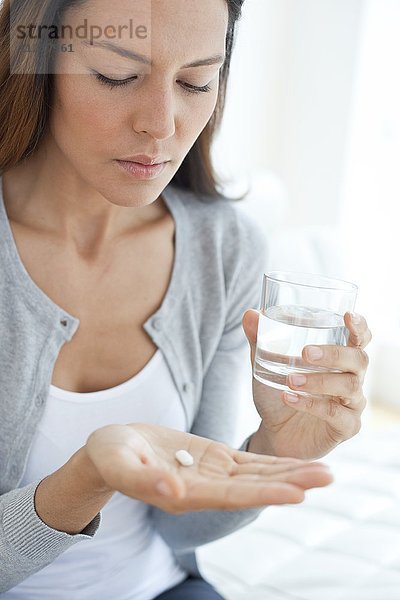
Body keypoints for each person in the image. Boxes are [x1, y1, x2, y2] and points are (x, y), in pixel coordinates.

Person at [0, 0, 372, 598]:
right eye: (116, 75)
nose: (163, 122)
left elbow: (181, 530)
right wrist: (85, 481)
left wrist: (272, 449)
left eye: (197, 81)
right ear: (34, 59)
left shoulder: (223, 248)